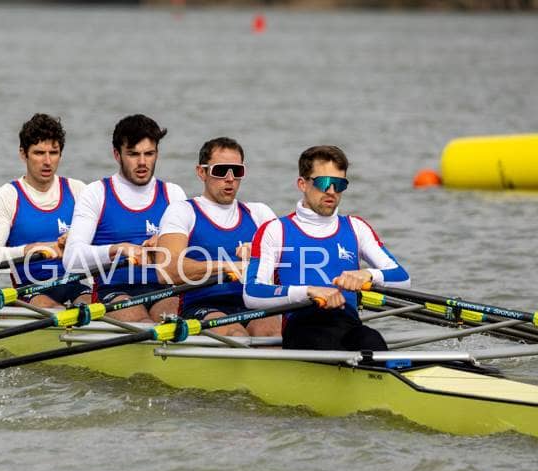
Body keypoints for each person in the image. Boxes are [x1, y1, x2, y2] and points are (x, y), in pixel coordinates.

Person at [243, 145, 410, 351]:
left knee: (371, 339)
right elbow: (252, 293)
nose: (331, 191)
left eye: (339, 184)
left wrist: (368, 274)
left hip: (348, 324)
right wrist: (309, 291)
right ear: (302, 184)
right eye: (323, 183)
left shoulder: (356, 227)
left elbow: (403, 278)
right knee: (328, 341)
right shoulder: (275, 230)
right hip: (303, 327)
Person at [63, 114, 186, 323]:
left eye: (149, 154)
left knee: (175, 320)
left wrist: (167, 243)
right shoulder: (96, 193)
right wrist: (117, 249)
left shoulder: (173, 194)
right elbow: (71, 259)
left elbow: (189, 256)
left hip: (162, 290)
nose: (142, 162)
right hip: (112, 291)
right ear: (117, 154)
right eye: (133, 154)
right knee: (144, 325)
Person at [157, 137, 280, 337]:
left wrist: (262, 254)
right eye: (221, 171)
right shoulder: (182, 211)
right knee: (235, 334)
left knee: (272, 334)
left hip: (253, 303)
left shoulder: (259, 213)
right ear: (202, 172)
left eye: (237, 171)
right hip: (202, 306)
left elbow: (292, 264)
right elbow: (166, 270)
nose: (230, 178)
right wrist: (227, 266)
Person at [0, 113, 91, 308]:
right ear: (23, 154)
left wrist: (78, 239)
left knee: (95, 307)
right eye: (39, 153)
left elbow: (104, 243)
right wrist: (31, 250)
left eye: (53, 153)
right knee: (54, 310)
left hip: (73, 285)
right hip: (30, 290)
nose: (47, 161)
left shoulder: (78, 191)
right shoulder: (7, 196)